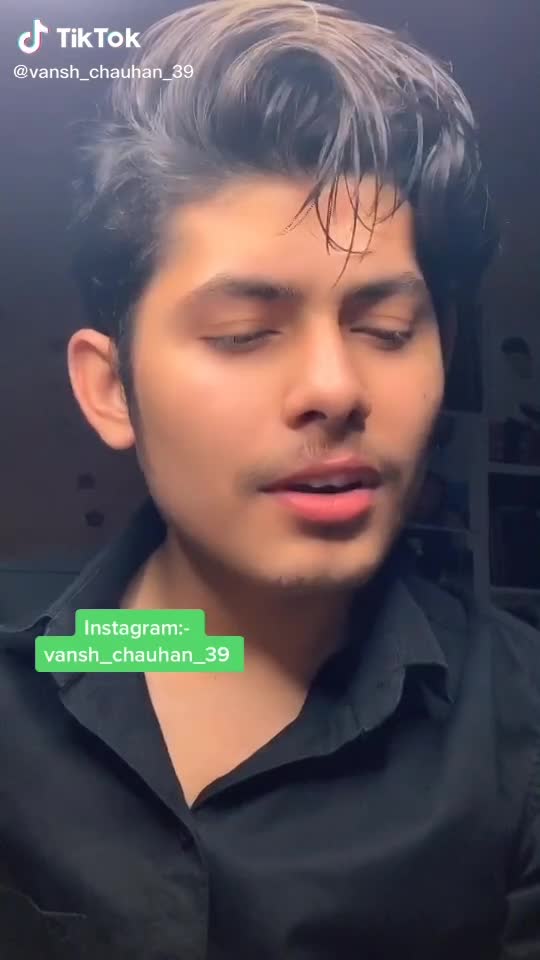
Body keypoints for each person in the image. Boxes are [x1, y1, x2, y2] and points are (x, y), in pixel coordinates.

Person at [0, 1, 538, 957]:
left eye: (385, 331)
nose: (335, 388)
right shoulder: (17, 695)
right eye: (244, 334)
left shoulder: (521, 730)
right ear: (111, 388)